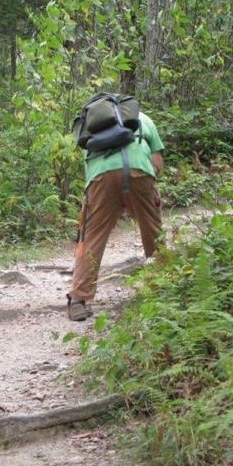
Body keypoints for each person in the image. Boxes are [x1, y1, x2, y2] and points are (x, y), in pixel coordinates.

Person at [66, 109, 164, 321]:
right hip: (139, 172)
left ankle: (78, 301)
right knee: (153, 231)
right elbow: (157, 162)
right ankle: (163, 289)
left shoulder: (91, 125)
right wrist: (150, 187)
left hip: (101, 178)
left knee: (91, 237)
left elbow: (89, 163)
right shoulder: (143, 118)